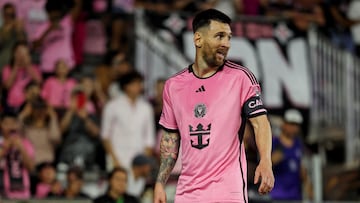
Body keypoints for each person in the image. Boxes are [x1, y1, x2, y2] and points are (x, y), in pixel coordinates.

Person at [153, 9, 274, 203]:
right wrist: (160, 181)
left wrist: (265, 161)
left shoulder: (241, 78)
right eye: (219, 36)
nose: (226, 44)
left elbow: (261, 123)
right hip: (187, 193)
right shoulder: (173, 86)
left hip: (228, 191)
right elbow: (170, 137)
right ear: (198, 39)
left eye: (229, 37)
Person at [101, 71, 155, 170]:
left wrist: (144, 160)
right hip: (117, 159)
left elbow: (149, 139)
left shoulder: (146, 108)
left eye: (140, 83)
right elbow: (105, 136)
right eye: (135, 83)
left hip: (138, 161)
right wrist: (114, 160)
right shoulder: (112, 106)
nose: (139, 86)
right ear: (126, 86)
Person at [270, 109, 312, 200]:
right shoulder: (273, 142)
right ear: (284, 124)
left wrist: (308, 186)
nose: (293, 127)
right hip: (277, 195)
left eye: (296, 125)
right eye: (291, 124)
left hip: (295, 196)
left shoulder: (298, 145)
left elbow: (301, 168)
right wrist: (273, 161)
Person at [0, 111, 35, 199]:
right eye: (7, 124)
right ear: (1, 125)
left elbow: (31, 168)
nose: (11, 127)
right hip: (2, 194)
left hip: (23, 193)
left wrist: (21, 148)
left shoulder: (26, 143)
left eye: (13, 123)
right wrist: (5, 149)